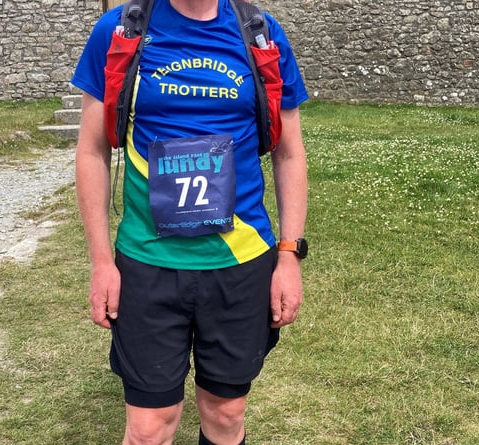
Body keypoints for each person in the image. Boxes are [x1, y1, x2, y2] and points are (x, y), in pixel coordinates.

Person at [72, 0, 309, 444]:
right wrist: (102, 262)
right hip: (147, 262)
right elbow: (92, 150)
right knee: (148, 427)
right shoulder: (120, 29)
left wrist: (289, 257)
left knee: (225, 414)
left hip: (240, 261)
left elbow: (289, 152)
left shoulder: (260, 32)